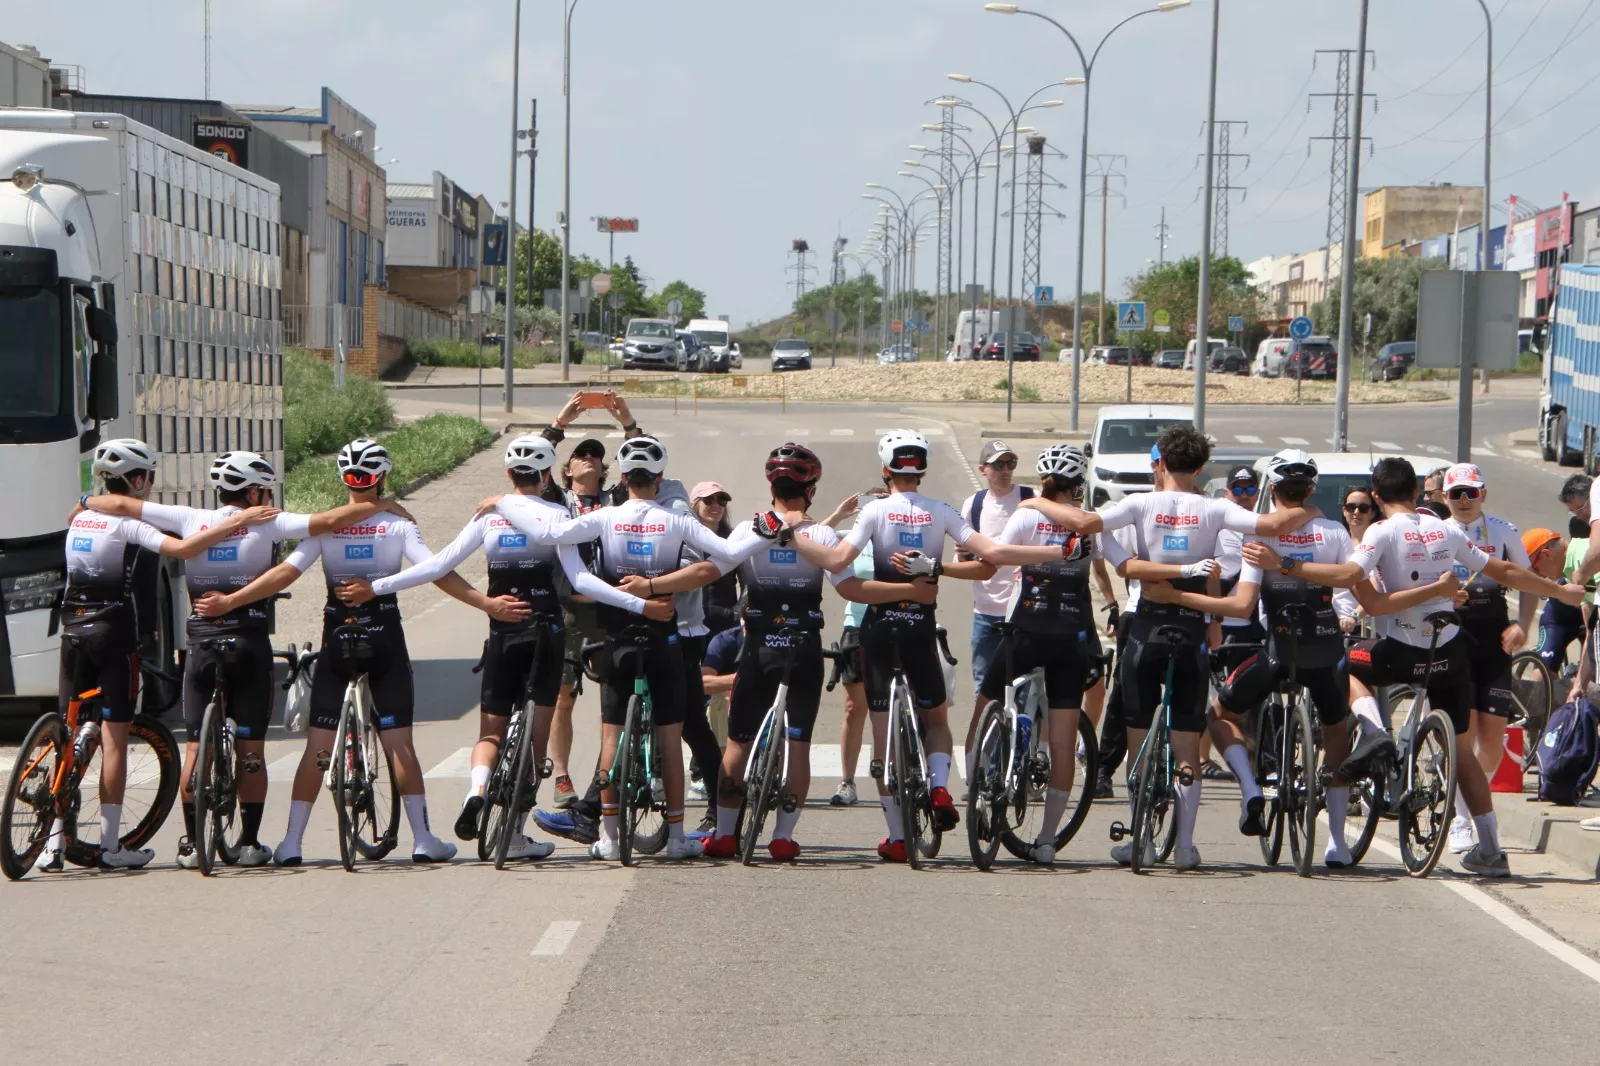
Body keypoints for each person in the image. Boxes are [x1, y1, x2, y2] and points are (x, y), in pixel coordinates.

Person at [333, 435, 673, 861]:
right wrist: (641, 604)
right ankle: (512, 834)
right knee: (536, 738)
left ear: (510, 474)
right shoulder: (559, 514)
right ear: (548, 474)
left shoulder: (489, 515)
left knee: (490, 732)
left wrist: (375, 588)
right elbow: (582, 581)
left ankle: (477, 789)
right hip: (546, 632)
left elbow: (436, 566)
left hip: (501, 630)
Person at [1247, 457, 1585, 878]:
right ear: (1416, 493)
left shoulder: (1382, 531)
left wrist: (1285, 565)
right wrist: (1560, 592)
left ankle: (1374, 732)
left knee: (1345, 664)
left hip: (1401, 649)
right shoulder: (1445, 529)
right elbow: (1505, 570)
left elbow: (1353, 578)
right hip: (1448, 650)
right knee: (1461, 752)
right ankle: (1493, 850)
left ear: (1375, 496)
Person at [194, 441, 521, 866]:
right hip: (383, 633)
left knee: (319, 744)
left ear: (344, 479)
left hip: (337, 638)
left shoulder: (325, 527)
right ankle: (423, 839)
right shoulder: (397, 521)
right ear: (380, 477)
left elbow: (284, 573)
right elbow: (436, 571)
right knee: (399, 742)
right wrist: (487, 604)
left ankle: (292, 842)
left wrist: (231, 601)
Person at [84, 449, 412, 868]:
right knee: (250, 750)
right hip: (248, 644)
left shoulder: (189, 519)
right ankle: (251, 843)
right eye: (265, 489)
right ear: (255, 490)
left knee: (195, 752)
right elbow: (331, 522)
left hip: (201, 642)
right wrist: (382, 503)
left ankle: (189, 843)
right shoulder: (269, 521)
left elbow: (124, 504)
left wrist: (85, 502)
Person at [1020, 425, 1321, 871]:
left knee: (1138, 736)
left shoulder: (1140, 503)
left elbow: (1084, 524)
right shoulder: (1216, 508)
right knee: (1186, 746)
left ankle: (1138, 841)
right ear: (1201, 468)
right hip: (1193, 628)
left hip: (1146, 627)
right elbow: (1276, 523)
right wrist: (1311, 506)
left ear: (1159, 464)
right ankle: (1184, 847)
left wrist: (1036, 500)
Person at [782, 430, 1083, 862]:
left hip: (880, 629)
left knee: (883, 737)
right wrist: (1059, 553)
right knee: (936, 718)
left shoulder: (875, 512)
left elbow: (834, 563)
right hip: (921, 628)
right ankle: (939, 787)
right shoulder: (941, 512)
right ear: (921, 470)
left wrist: (791, 536)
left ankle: (896, 837)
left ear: (885, 471)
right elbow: (990, 560)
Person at [494, 436, 740, 861]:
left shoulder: (605, 517)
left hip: (618, 638)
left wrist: (502, 501)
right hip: (665, 638)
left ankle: (607, 835)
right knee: (669, 739)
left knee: (611, 737)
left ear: (622, 477)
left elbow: (550, 531)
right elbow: (727, 555)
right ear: (660, 479)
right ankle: (677, 837)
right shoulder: (677, 519)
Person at [44, 440, 277, 871]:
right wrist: (240, 520)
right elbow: (185, 550)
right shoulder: (128, 526)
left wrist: (84, 500)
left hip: (70, 631)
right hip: (113, 634)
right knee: (114, 739)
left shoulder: (78, 520)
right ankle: (111, 846)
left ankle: (51, 844)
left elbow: (89, 508)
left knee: (68, 731)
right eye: (148, 478)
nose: (150, 487)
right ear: (137, 479)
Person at [1143, 450, 1375, 865]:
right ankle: (1337, 845)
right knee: (1336, 735)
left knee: (1218, 716)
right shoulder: (1335, 532)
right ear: (1311, 490)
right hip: (1325, 652)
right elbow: (1350, 579)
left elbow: (1241, 608)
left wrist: (1173, 595)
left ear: (1271, 489)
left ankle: (1250, 788)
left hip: (1276, 653)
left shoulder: (1261, 538)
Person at [975, 444, 1104, 864]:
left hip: (1024, 631)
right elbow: (1117, 564)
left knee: (985, 710)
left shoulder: (1027, 514)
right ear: (1079, 485)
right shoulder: (1086, 527)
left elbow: (995, 558)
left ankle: (981, 789)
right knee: (1064, 745)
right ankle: (1047, 839)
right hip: (1070, 636)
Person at [1437, 463, 1538, 857]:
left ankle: (1464, 810)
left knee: (1492, 737)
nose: (1464, 501)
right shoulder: (1437, 531)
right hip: (1449, 634)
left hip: (1494, 634)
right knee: (1461, 734)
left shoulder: (1503, 530)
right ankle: (1462, 819)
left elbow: (1526, 581)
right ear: (1445, 497)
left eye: (1471, 493)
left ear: (1483, 494)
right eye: (1456, 493)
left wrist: (1522, 626)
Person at [958, 441, 1033, 767]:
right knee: (984, 695)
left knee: (1023, 696)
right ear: (983, 470)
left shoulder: (1031, 500)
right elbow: (961, 556)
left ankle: (1019, 767)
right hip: (986, 616)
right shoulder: (974, 506)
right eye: (997, 464)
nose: (1004, 471)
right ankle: (985, 773)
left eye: (1010, 464)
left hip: (1025, 614)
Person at [1205, 464, 1266, 781]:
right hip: (1219, 621)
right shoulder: (1218, 525)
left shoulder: (1261, 527)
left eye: (1250, 490)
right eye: (1237, 489)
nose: (1244, 496)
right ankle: (1201, 758)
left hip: (1251, 627)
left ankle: (1258, 760)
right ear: (1226, 491)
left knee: (1249, 696)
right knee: (1210, 695)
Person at [819, 491, 879, 807]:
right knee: (855, 709)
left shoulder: (901, 537)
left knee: (896, 705)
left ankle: (894, 774)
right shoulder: (850, 539)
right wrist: (839, 513)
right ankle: (848, 782)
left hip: (898, 625)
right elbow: (809, 537)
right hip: (857, 627)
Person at [1527, 527, 1583, 677]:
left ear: (1546, 554)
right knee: (1540, 676)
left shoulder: (1585, 555)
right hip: (1559, 615)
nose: (1540, 578)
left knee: (1590, 674)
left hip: (1591, 616)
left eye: (1536, 570)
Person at [1334, 486, 1383, 634]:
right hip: (1332, 625)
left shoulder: (1375, 546)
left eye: (1363, 508)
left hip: (1363, 628)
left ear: (1372, 512)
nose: (1356, 512)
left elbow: (1375, 588)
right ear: (1344, 511)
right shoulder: (1335, 543)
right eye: (1351, 507)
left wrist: (1354, 617)